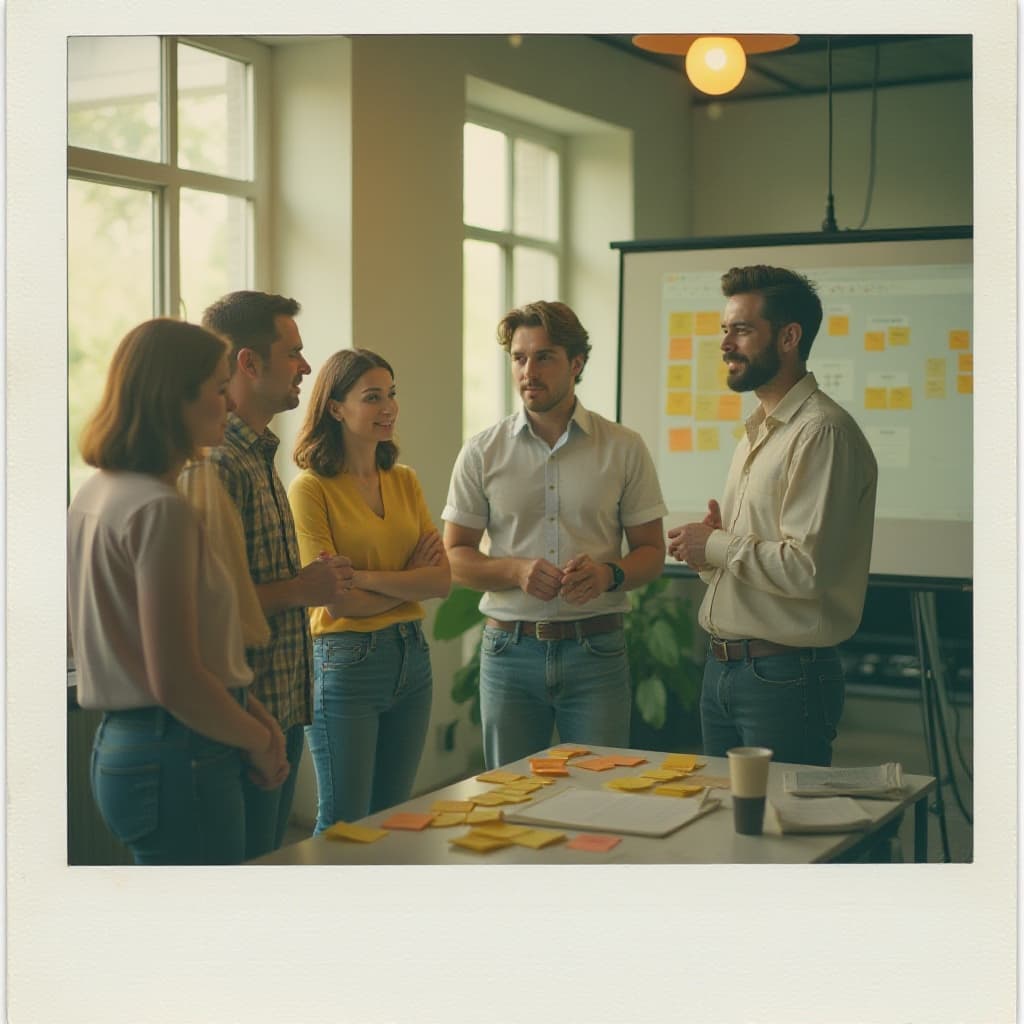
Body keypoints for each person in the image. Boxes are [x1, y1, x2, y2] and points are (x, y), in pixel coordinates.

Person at [67, 319, 289, 865]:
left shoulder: (96, 492)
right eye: (218, 389)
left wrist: (254, 714)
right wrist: (258, 740)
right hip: (179, 753)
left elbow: (181, 654)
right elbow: (177, 678)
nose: (230, 406)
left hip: (130, 745)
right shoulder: (160, 509)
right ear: (176, 400)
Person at [667, 265, 878, 767]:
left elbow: (807, 569)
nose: (725, 344)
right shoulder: (758, 431)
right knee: (728, 828)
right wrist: (708, 552)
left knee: (785, 836)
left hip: (785, 677)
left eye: (741, 329)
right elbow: (755, 559)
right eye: (725, 329)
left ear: (788, 337)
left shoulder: (821, 433)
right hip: (723, 670)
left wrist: (715, 545)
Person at [443, 300, 667, 768]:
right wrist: (514, 570)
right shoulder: (482, 451)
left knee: (599, 801)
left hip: (597, 653)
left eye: (544, 357)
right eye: (519, 358)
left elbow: (650, 552)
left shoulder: (624, 447)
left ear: (576, 364)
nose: (529, 371)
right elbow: (455, 556)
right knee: (511, 801)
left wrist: (608, 574)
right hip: (509, 653)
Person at [202, 291, 354, 858]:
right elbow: (212, 606)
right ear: (248, 362)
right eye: (293, 353)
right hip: (245, 713)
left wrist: (307, 581)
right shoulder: (220, 464)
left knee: (266, 864)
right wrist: (304, 588)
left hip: (282, 707)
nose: (306, 368)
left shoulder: (259, 454)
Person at [288, 349, 450, 831]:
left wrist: (362, 576)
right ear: (336, 407)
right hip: (344, 664)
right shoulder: (310, 489)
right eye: (372, 397)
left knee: (393, 819)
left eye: (392, 394)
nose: (389, 408)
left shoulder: (404, 480)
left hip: (411, 660)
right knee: (344, 824)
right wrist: (406, 584)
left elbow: (440, 580)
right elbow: (336, 599)